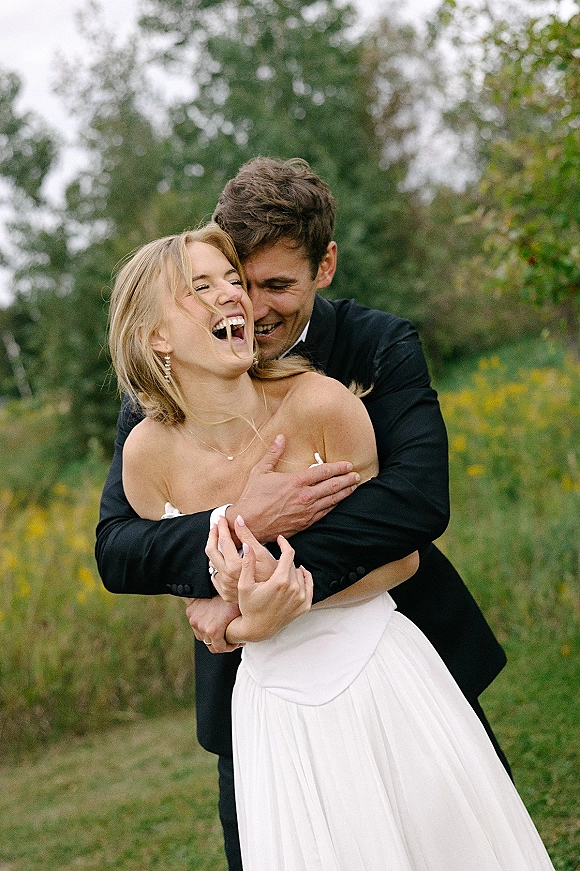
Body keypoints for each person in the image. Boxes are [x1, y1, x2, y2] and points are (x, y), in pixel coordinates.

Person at [96, 157, 508, 871]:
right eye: (234, 279)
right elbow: (121, 546)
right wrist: (238, 519)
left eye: (275, 286)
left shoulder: (374, 347)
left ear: (326, 266)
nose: (249, 309)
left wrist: (256, 598)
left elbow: (413, 501)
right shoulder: (165, 388)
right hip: (252, 688)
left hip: (391, 644)